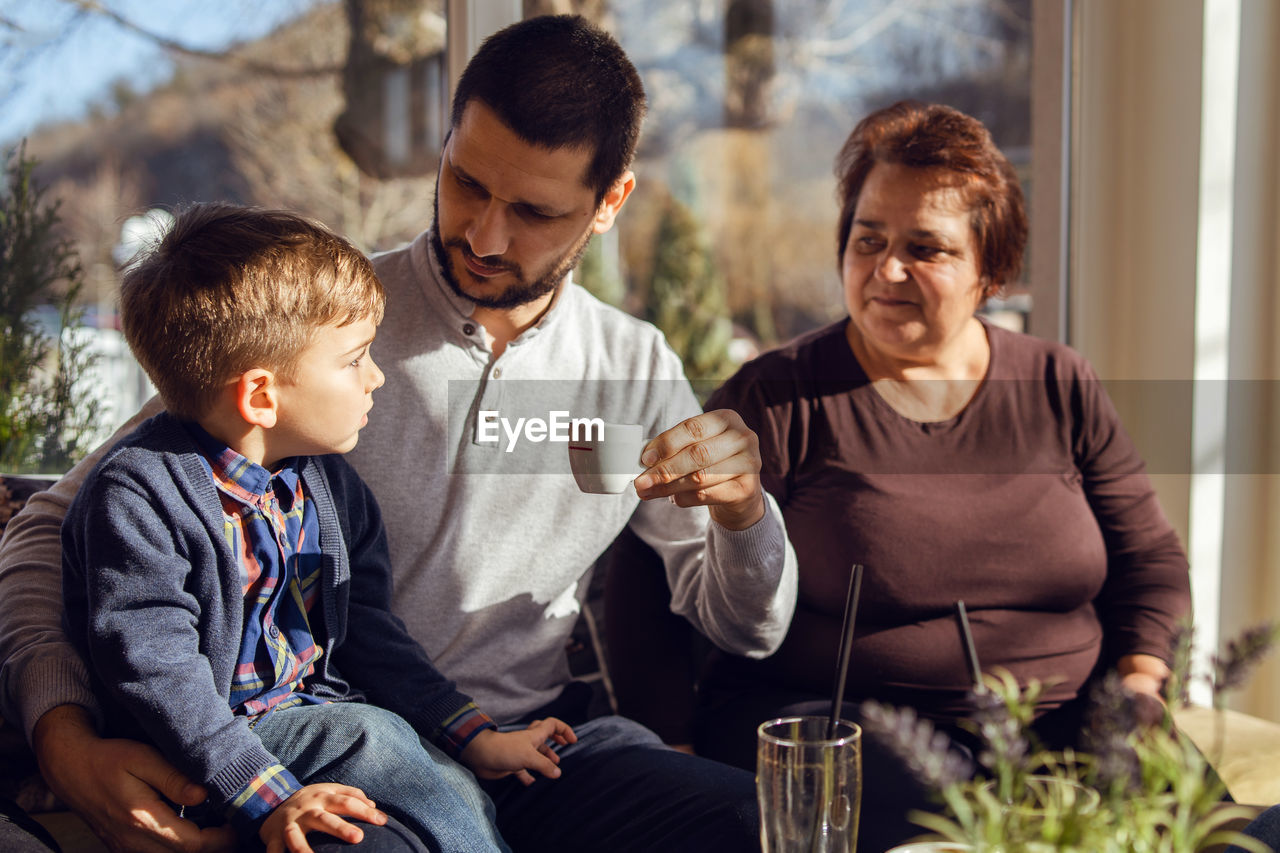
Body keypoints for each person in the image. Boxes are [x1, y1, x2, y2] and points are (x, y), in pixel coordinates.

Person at [0, 14, 797, 853]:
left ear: (610, 203)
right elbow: (55, 524)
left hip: (528, 748)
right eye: (465, 182)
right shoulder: (318, 324)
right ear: (446, 142)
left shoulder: (631, 369)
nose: (485, 236)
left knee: (757, 822)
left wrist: (744, 514)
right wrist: (64, 738)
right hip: (348, 751)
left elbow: (750, 628)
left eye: (531, 210)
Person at [609, 100, 1192, 851]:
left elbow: (1150, 559)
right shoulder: (778, 395)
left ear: (994, 269)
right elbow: (646, 562)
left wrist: (1142, 683)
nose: (887, 269)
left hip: (1061, 721)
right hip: (841, 727)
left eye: (927, 247)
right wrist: (673, 754)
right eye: (868, 239)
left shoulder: (1059, 382)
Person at [60, 203, 578, 852]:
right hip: (210, 754)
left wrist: (473, 733)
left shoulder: (329, 488)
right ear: (260, 397)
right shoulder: (137, 495)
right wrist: (270, 796)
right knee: (375, 736)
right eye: (355, 358)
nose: (376, 376)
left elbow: (370, 632)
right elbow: (158, 673)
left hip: (321, 726)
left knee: (439, 777)